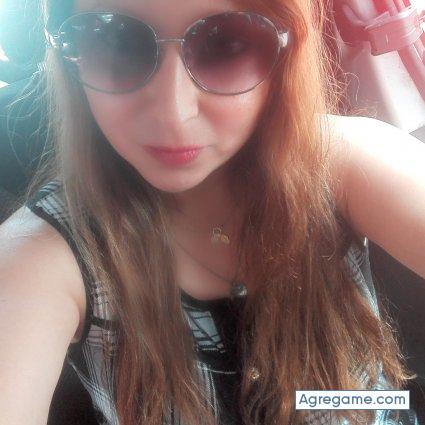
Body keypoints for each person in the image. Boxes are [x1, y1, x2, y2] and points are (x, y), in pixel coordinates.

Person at [0, 0, 424, 424]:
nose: (174, 112)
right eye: (114, 41)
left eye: (227, 44)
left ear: (286, 50)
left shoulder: (342, 165)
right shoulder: (44, 254)